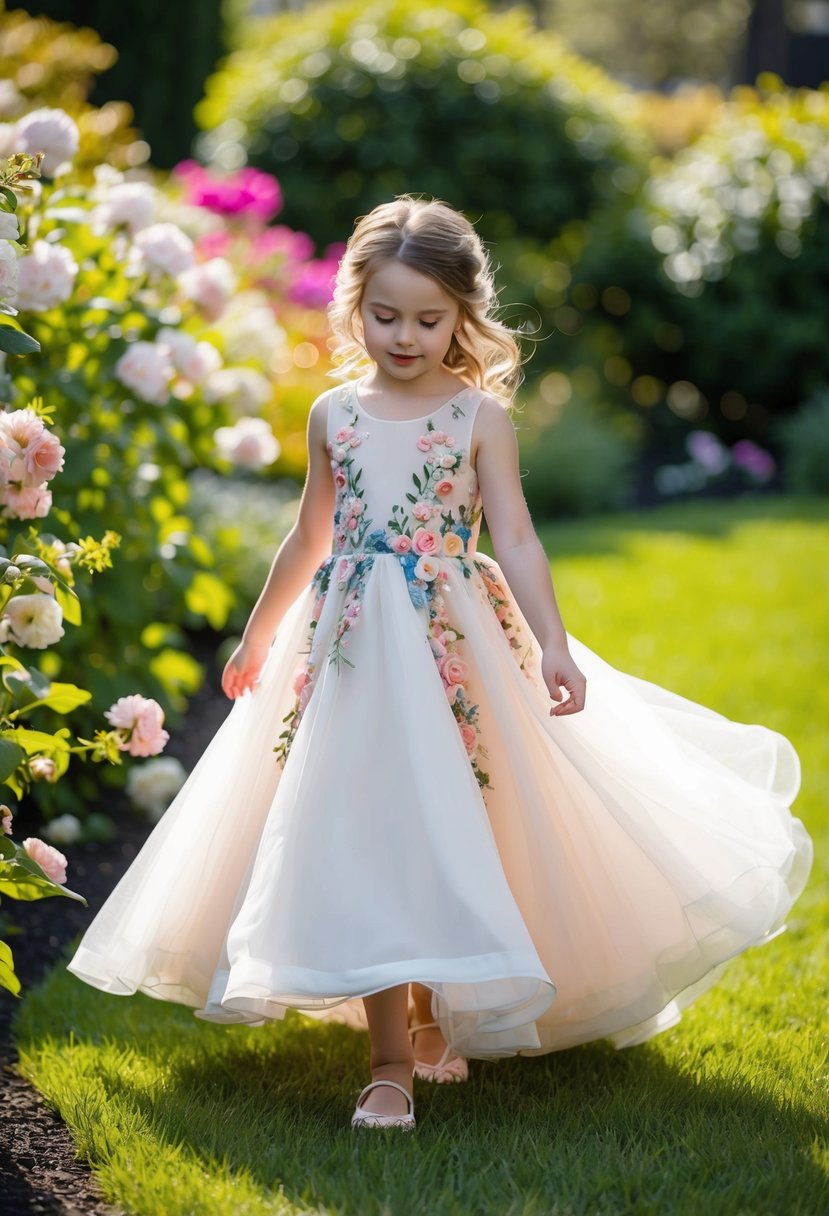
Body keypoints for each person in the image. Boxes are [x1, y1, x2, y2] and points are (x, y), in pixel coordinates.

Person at [67, 195, 812, 1133]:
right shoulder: (333, 413)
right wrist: (259, 634)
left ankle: (428, 1020)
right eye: (385, 316)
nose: (405, 336)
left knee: (452, 819)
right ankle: (387, 1064)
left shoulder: (476, 418)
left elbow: (520, 539)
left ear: (464, 315)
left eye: (428, 318)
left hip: (453, 643)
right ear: (354, 306)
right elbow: (309, 534)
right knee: (366, 821)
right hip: (347, 653)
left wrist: (553, 642)